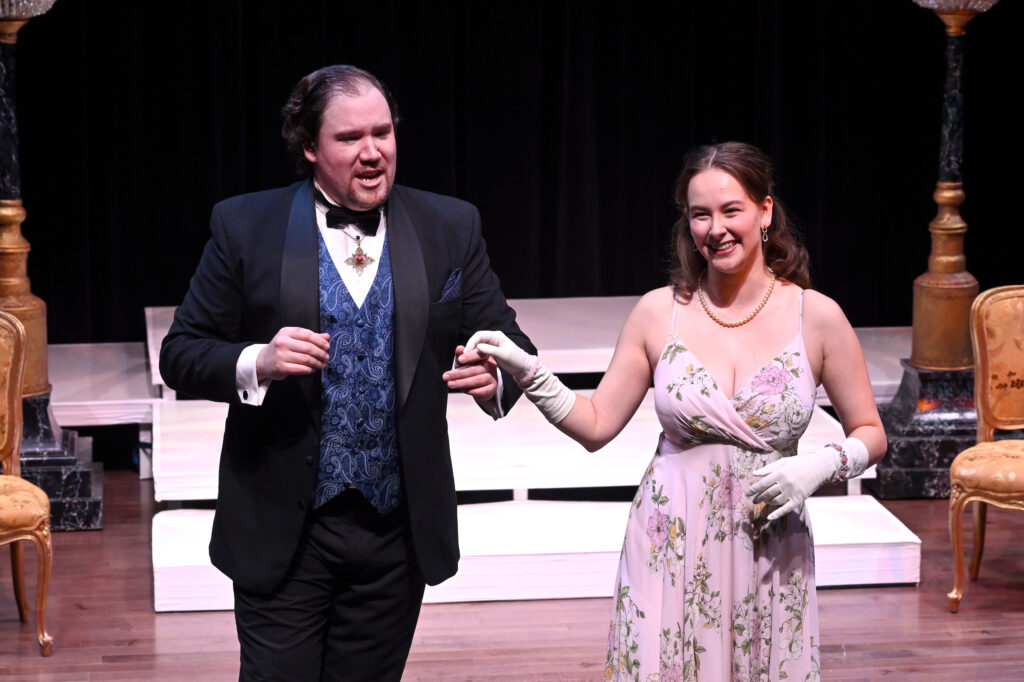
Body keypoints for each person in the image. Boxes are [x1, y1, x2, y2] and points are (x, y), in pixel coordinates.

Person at [159, 64, 534, 681]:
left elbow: (510, 341)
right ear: (309, 147)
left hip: (396, 531)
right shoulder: (243, 226)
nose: (372, 152)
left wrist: (497, 379)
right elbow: (182, 353)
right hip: (286, 526)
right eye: (349, 138)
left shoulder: (450, 225)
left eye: (383, 133)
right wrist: (259, 359)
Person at [466, 141, 886, 680]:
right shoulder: (657, 312)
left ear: (765, 211)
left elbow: (871, 432)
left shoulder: (817, 316)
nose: (717, 228)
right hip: (669, 541)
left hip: (769, 543)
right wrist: (530, 372)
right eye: (700, 215)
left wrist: (825, 463)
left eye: (731, 210)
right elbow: (595, 426)